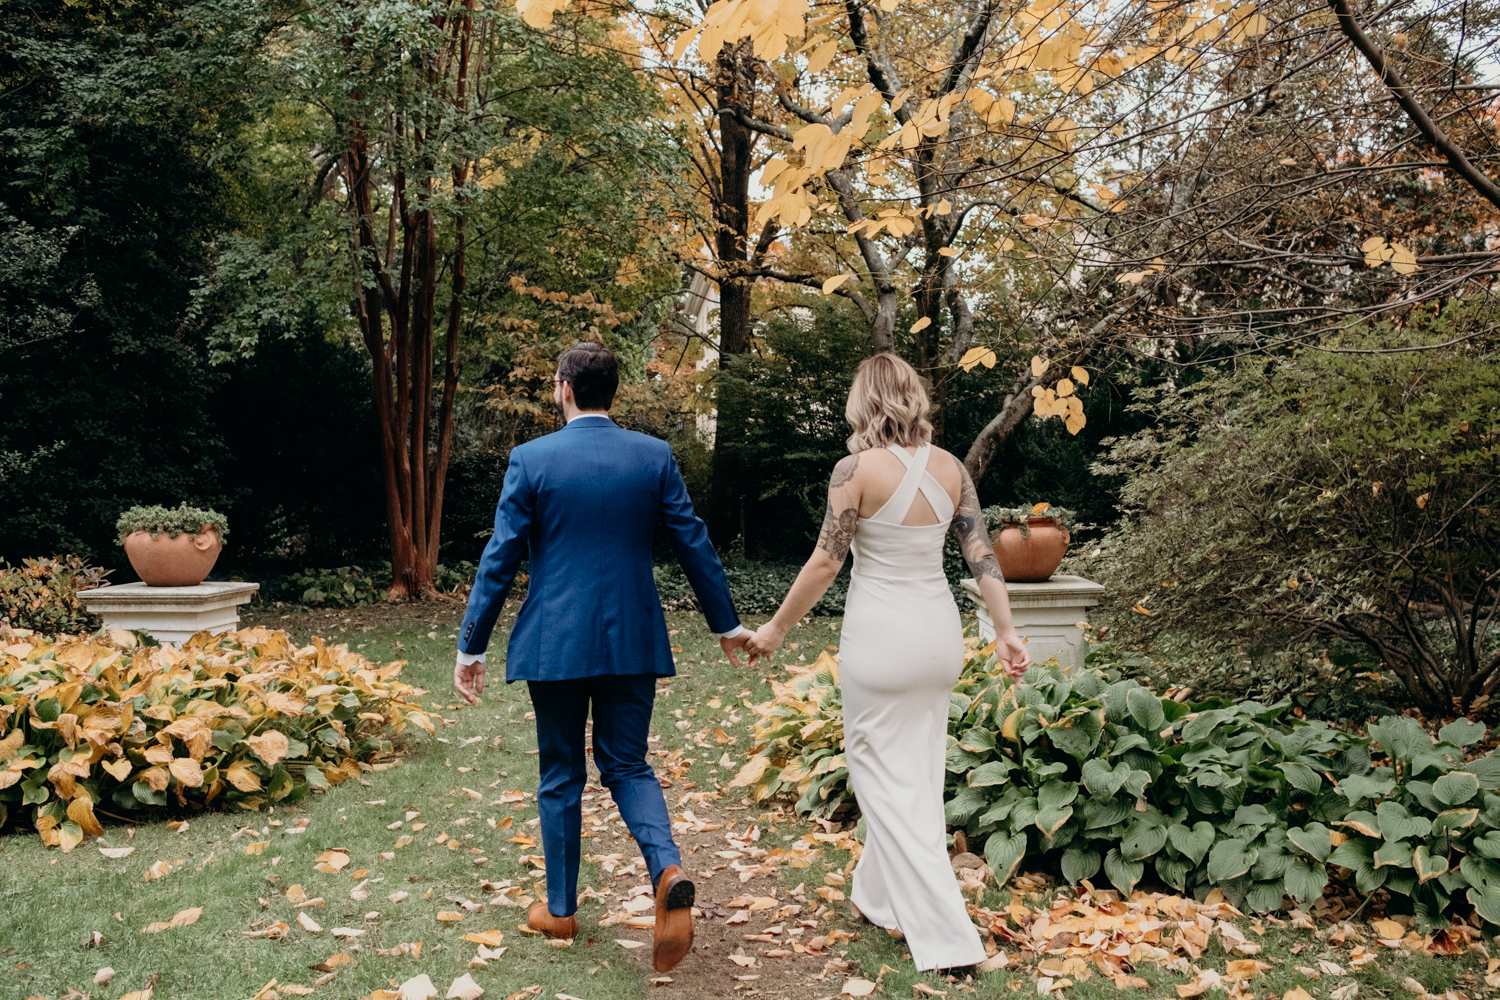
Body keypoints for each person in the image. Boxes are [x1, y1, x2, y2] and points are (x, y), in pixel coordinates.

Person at [454, 341, 754, 973]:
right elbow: (693, 543)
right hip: (631, 637)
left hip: (554, 642)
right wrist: (726, 623)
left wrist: (471, 643)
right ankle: (665, 867)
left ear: (564, 388)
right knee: (627, 763)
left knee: (561, 770)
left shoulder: (531, 460)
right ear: (612, 391)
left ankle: (560, 910)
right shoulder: (653, 456)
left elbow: (500, 558)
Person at [744, 353, 1030, 972]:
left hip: (881, 642)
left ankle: (951, 941)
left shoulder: (855, 470)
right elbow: (981, 557)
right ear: (913, 398)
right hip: (938, 640)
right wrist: (1006, 631)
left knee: (883, 782)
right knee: (919, 774)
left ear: (863, 402)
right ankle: (877, 897)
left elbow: (826, 562)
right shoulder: (952, 467)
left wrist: (773, 629)